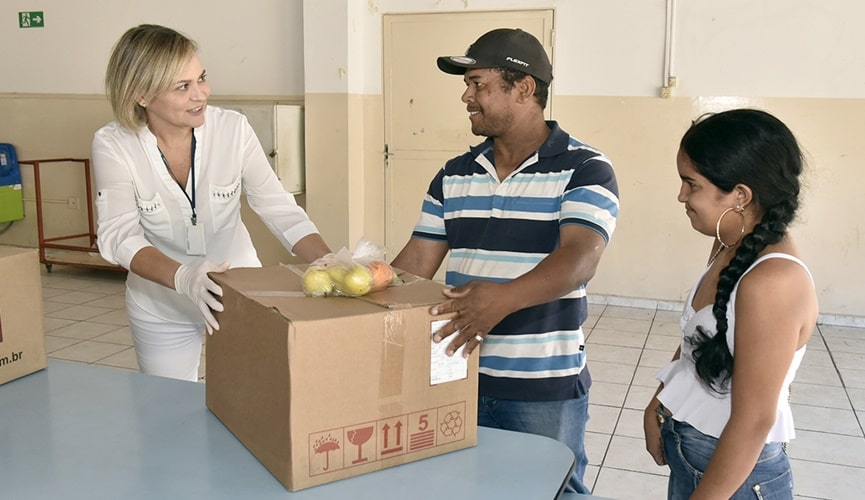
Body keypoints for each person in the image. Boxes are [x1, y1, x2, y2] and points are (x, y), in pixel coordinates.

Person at [391, 28, 619, 494]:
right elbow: (415, 262)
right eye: (467, 85)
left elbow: (579, 259)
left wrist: (501, 301)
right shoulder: (455, 174)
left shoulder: (585, 168)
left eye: (479, 84)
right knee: (468, 486)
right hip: (460, 373)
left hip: (541, 385)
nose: (466, 96)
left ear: (525, 88)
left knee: (553, 490)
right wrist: (358, 288)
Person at [92, 24, 331, 382]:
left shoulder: (232, 130)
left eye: (201, 78)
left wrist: (330, 261)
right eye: (182, 86)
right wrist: (185, 278)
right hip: (160, 305)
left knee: (252, 402)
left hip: (239, 295)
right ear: (141, 94)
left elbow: (277, 206)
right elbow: (119, 235)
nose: (200, 94)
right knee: (167, 411)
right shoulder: (114, 144)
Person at [643, 109, 818, 499]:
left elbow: (754, 420)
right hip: (698, 454)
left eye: (691, 184)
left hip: (735, 479)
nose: (681, 196)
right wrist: (658, 402)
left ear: (740, 195)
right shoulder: (729, 242)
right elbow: (702, 334)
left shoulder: (772, 282)